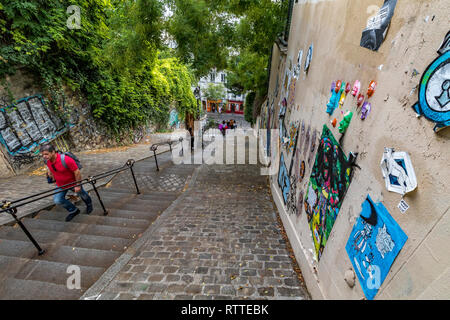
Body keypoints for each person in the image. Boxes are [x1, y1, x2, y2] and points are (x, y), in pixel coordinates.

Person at [40, 143, 93, 222]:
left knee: (82, 194)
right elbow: (52, 170)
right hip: (60, 185)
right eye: (43, 155)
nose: (44, 156)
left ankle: (89, 204)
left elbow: (77, 172)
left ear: (53, 152)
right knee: (58, 200)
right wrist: (54, 179)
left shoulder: (66, 159)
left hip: (73, 183)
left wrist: (78, 185)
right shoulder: (47, 161)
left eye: (46, 154)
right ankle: (74, 210)